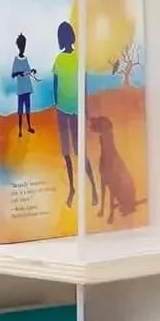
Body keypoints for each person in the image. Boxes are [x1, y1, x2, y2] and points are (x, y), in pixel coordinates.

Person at [52, 20, 97, 210]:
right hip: (63, 111)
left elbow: (83, 85)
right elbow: (55, 85)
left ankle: (93, 188)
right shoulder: (59, 59)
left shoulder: (79, 58)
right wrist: (57, 105)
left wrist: (85, 110)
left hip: (73, 111)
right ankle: (72, 189)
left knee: (79, 152)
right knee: (67, 153)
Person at [11, 33, 37, 137]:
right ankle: (20, 130)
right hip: (21, 89)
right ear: (19, 46)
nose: (23, 48)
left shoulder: (25, 59)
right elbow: (13, 74)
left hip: (27, 87)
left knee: (28, 109)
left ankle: (29, 127)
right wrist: (19, 73)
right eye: (22, 45)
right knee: (20, 110)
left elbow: (28, 71)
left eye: (24, 45)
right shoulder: (16, 59)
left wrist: (32, 70)